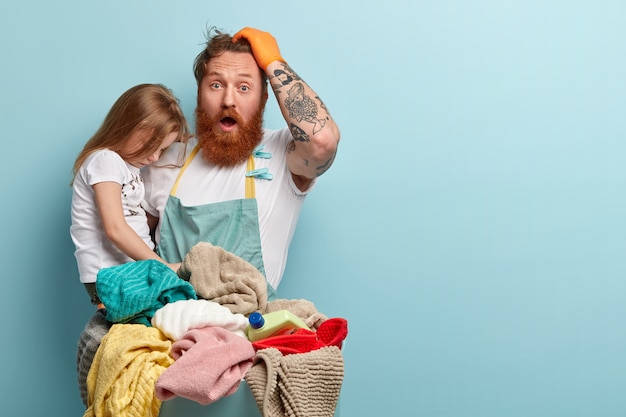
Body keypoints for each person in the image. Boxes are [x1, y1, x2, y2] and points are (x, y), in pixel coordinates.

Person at [142, 27, 341, 300]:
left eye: (244, 87)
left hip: (249, 332)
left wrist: (273, 62)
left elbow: (322, 141)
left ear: (264, 98)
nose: (228, 100)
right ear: (200, 93)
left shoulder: (284, 155)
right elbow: (131, 249)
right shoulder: (164, 159)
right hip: (168, 331)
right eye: (216, 85)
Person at [70, 83, 190, 306]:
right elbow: (115, 228)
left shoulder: (127, 166)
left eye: (162, 149)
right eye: (150, 145)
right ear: (127, 126)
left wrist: (180, 139)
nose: (155, 157)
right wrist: (161, 267)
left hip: (126, 272)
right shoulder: (105, 161)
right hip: (111, 275)